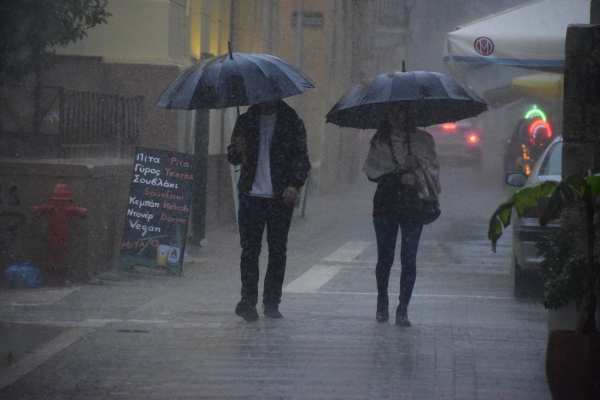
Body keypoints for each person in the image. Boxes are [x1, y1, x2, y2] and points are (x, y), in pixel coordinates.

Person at [227, 99, 311, 321]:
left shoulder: (291, 121)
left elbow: (302, 158)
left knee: (277, 251)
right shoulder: (246, 120)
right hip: (250, 196)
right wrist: (238, 148)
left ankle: (272, 302)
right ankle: (247, 301)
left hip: (280, 198)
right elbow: (232, 157)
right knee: (249, 251)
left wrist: (294, 184)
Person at [362, 103, 440, 326]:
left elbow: (433, 170)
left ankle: (403, 307)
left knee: (409, 259)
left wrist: (417, 168)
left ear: (409, 113)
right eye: (392, 111)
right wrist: (397, 176)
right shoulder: (380, 141)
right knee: (384, 258)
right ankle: (382, 302)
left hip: (413, 206)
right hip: (385, 205)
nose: (397, 116)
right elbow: (372, 173)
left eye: (401, 111)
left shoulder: (423, 141)